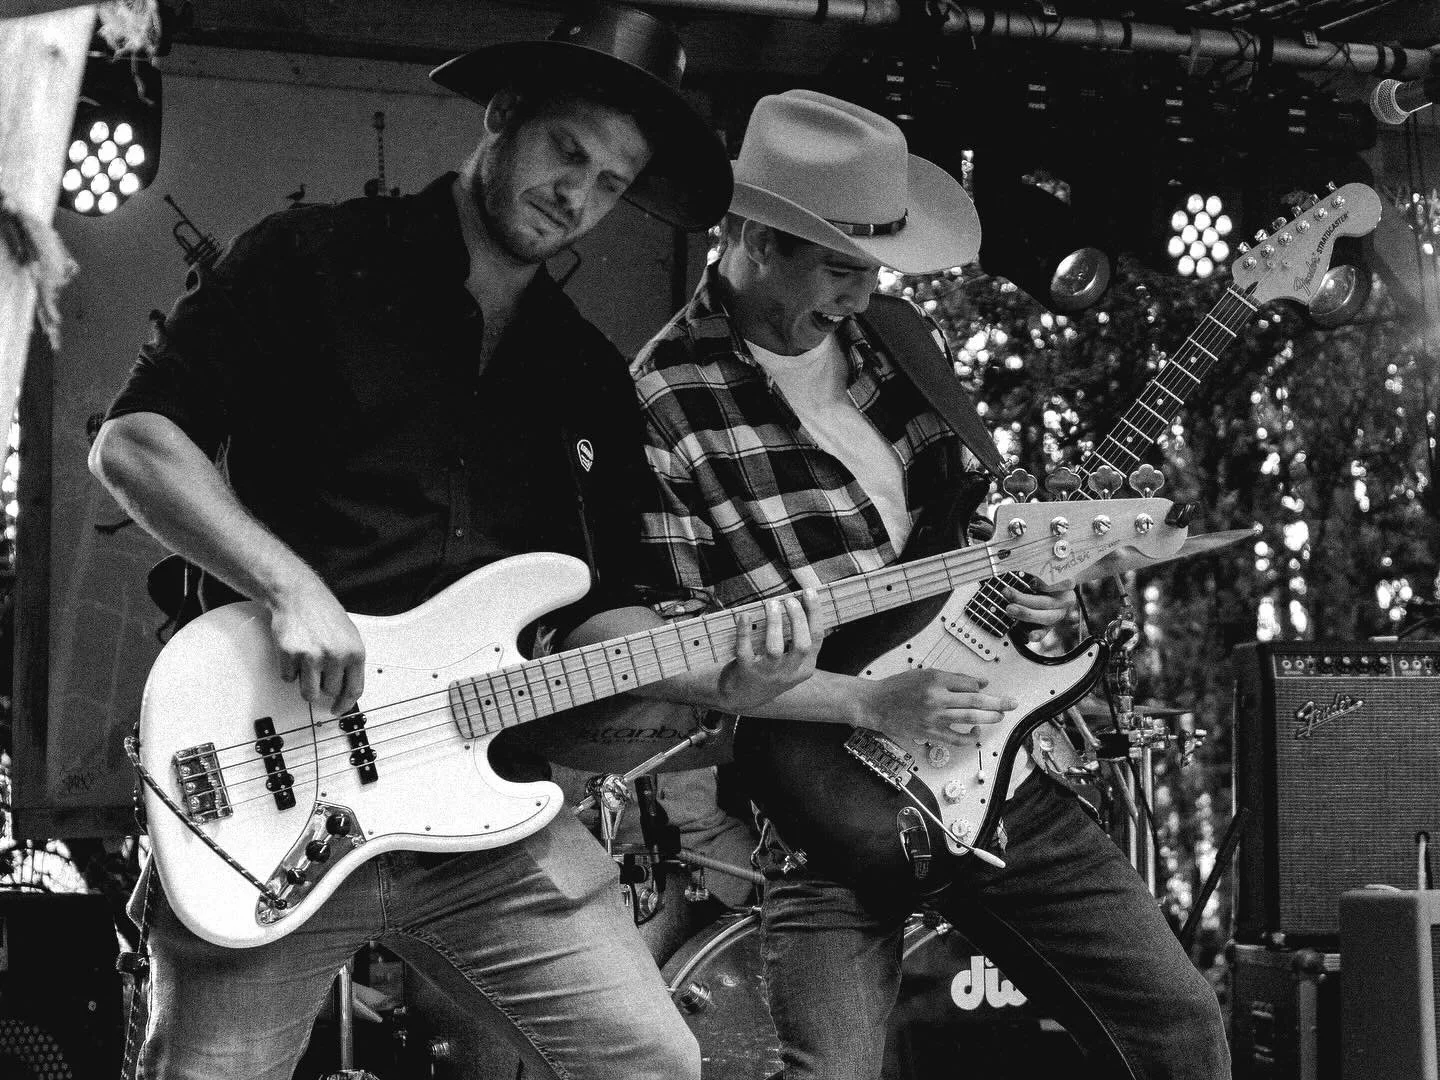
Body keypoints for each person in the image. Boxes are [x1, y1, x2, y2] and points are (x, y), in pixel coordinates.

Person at [87, 9, 824, 1079]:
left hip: (488, 814)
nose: (578, 195)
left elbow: (603, 614)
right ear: (504, 115)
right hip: (279, 780)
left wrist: (730, 675)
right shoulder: (313, 258)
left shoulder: (584, 377)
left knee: (654, 1058)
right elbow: (138, 443)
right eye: (567, 151)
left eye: (611, 183)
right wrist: (287, 582)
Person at [629, 88, 1232, 1079]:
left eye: (874, 268)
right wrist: (867, 698)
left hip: (1001, 761)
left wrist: (1046, 591)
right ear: (751, 238)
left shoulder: (901, 342)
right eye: (838, 267)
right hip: (830, 793)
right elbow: (670, 642)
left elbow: (981, 532)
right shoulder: (660, 402)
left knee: (1179, 1026)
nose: (862, 294)